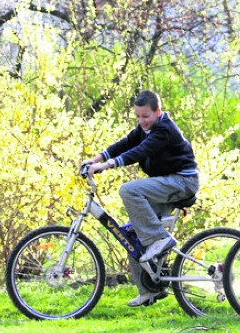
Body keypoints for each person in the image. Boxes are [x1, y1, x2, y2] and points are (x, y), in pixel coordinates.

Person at [82, 90, 199, 307]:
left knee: (129, 190)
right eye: (137, 116)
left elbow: (139, 152)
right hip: (167, 182)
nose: (141, 121)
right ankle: (149, 291)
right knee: (132, 235)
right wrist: (95, 159)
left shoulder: (164, 129)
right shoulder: (146, 128)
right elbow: (125, 144)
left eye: (145, 116)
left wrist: (105, 166)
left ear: (158, 112)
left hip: (182, 182)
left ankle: (159, 239)